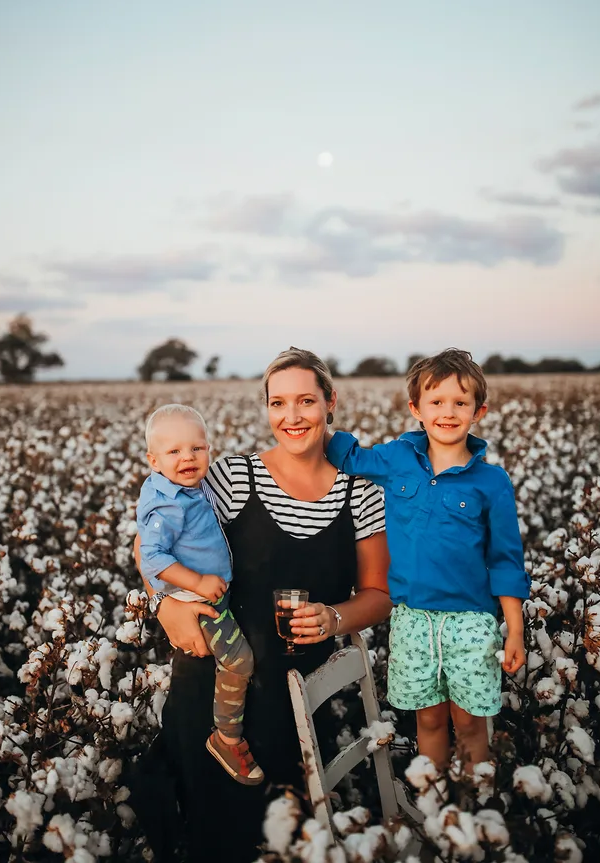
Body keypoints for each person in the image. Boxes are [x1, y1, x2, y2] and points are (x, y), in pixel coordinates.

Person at [132, 347, 391, 863]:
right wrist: (165, 606)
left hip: (292, 694)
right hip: (211, 682)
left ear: (330, 402)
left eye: (305, 401)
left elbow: (379, 597)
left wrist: (333, 617)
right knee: (210, 833)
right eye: (277, 403)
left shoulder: (361, 491)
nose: (291, 417)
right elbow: (149, 541)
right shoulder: (232, 477)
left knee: (276, 834)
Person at [326, 348, 531, 773]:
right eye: (436, 402)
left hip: (471, 624)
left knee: (471, 724)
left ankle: (474, 818)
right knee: (429, 720)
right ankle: (437, 810)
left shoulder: (492, 482)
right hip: (411, 620)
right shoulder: (398, 458)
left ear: (480, 411)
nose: (448, 412)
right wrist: (316, 417)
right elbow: (349, 457)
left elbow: (506, 560)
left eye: (461, 402)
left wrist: (515, 631)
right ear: (416, 409)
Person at [137, 403, 263, 785]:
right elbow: (152, 556)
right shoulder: (167, 502)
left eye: (197, 448)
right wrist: (196, 583)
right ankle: (227, 738)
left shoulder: (186, 486)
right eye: (174, 452)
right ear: (153, 460)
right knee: (239, 663)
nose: (188, 458)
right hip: (199, 602)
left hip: (209, 594)